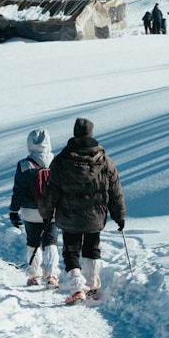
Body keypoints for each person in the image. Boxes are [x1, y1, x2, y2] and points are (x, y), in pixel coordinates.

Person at [38, 117, 125, 305]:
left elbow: (51, 189)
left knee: (71, 252)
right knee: (92, 249)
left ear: (75, 134)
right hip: (95, 217)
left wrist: (46, 212)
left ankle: (78, 287)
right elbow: (115, 191)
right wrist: (119, 216)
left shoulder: (61, 160)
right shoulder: (105, 161)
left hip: (69, 216)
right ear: (90, 134)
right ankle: (92, 286)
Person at [9, 128, 60, 288]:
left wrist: (13, 211)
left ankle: (34, 275)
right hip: (52, 211)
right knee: (50, 242)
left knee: (33, 242)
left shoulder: (24, 164)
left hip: (30, 212)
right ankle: (51, 275)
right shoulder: (57, 162)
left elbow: (18, 190)